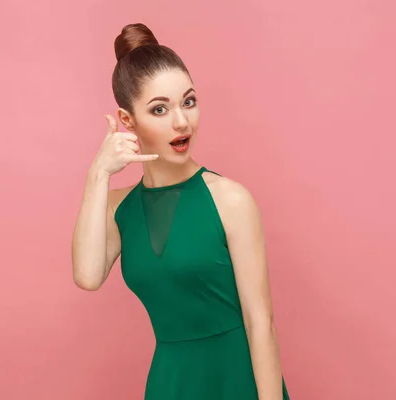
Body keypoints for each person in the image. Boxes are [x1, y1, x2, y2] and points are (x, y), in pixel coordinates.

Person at [71, 22, 291, 400]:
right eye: (160, 109)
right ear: (128, 121)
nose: (182, 121)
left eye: (188, 101)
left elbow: (261, 324)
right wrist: (99, 173)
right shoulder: (117, 207)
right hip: (172, 384)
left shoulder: (230, 200)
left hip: (237, 381)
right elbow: (88, 276)